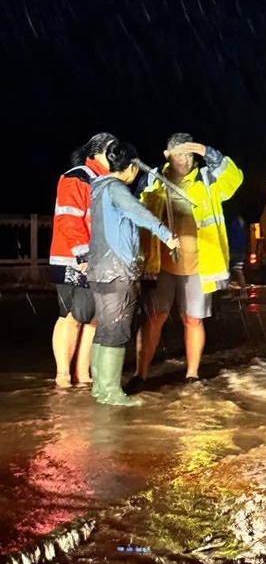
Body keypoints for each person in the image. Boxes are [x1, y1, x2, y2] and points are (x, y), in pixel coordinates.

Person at [135, 134, 244, 382]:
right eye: (178, 153)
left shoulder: (208, 179)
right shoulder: (152, 179)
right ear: (167, 155)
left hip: (199, 266)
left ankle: (192, 375)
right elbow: (135, 212)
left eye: (189, 154)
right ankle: (140, 374)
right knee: (155, 318)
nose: (184, 159)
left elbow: (235, 177)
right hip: (160, 266)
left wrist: (206, 150)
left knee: (193, 319)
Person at [88, 141, 179, 405]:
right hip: (117, 270)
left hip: (99, 270)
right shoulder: (116, 189)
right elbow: (138, 212)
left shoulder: (99, 188)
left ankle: (100, 389)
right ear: (129, 168)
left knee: (105, 329)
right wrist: (166, 235)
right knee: (116, 331)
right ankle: (112, 392)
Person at [49, 132, 115, 388]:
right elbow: (68, 217)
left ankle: (83, 375)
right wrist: (84, 254)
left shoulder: (104, 181)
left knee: (93, 317)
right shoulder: (78, 176)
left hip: (96, 260)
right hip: (72, 258)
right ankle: (63, 376)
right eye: (112, 150)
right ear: (97, 153)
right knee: (71, 316)